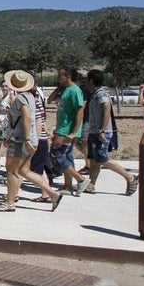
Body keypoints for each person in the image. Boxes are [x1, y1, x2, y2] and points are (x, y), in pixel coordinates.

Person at [0, 70, 64, 212]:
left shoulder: (20, 99)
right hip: (27, 138)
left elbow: (26, 118)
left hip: (21, 140)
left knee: (12, 171)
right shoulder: (31, 97)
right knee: (24, 171)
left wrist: (26, 139)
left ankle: (10, 203)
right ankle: (53, 194)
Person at [83, 69, 138, 195]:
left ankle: (130, 177)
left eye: (86, 80)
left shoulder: (101, 94)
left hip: (100, 132)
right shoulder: (96, 93)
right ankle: (91, 185)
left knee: (102, 159)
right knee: (94, 160)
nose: (85, 83)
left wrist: (102, 129)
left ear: (91, 81)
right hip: (94, 131)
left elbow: (107, 108)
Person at [47, 66, 88, 196]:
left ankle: (80, 179)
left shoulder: (75, 91)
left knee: (56, 155)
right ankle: (68, 186)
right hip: (62, 128)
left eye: (61, 77)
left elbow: (80, 111)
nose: (59, 79)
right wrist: (59, 88)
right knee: (66, 157)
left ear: (68, 77)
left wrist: (73, 132)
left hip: (66, 130)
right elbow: (50, 99)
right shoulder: (66, 90)